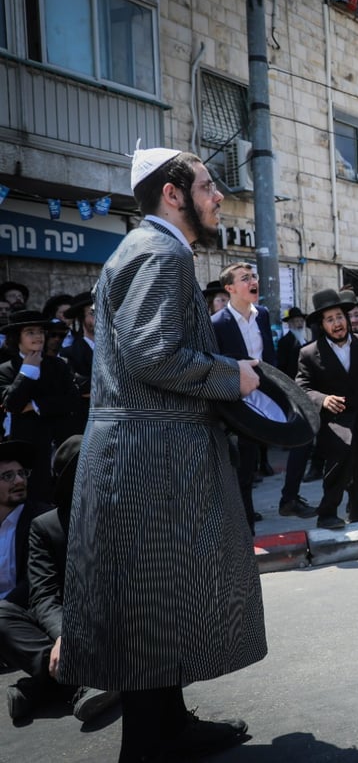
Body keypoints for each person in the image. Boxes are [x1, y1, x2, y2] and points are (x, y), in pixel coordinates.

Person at [60, 146, 266, 762]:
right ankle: (149, 744)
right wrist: (235, 375)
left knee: (164, 598)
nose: (218, 197)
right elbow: (155, 355)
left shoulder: (150, 249)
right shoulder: (159, 252)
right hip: (151, 459)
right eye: (207, 186)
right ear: (173, 194)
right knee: (150, 601)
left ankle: (170, 725)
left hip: (149, 452)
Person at [4, 436, 118, 723]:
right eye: (7, 476)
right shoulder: (48, 526)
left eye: (21, 473)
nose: (18, 480)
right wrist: (64, 635)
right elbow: (43, 594)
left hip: (118, 622)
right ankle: (80, 679)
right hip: (60, 624)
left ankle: (43, 687)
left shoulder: (125, 513)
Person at [296, 289, 358, 529]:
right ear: (322, 324)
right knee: (338, 467)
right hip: (335, 421)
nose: (337, 323)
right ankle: (327, 514)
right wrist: (323, 399)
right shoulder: (309, 353)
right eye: (330, 319)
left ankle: (357, 509)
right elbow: (302, 388)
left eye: (339, 317)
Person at [211, 262, 280, 528]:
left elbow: (268, 357)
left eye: (253, 276)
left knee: (253, 465)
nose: (253, 281)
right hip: (236, 403)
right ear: (230, 288)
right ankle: (245, 524)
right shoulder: (217, 323)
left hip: (264, 398)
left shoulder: (262, 314)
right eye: (244, 278)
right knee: (242, 468)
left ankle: (249, 515)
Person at [0, 310, 81, 500]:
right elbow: (12, 403)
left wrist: (36, 405)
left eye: (40, 332)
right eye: (30, 332)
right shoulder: (6, 369)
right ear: (17, 338)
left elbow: (71, 400)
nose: (38, 337)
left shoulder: (58, 365)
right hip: (28, 450)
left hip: (58, 444)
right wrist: (27, 371)